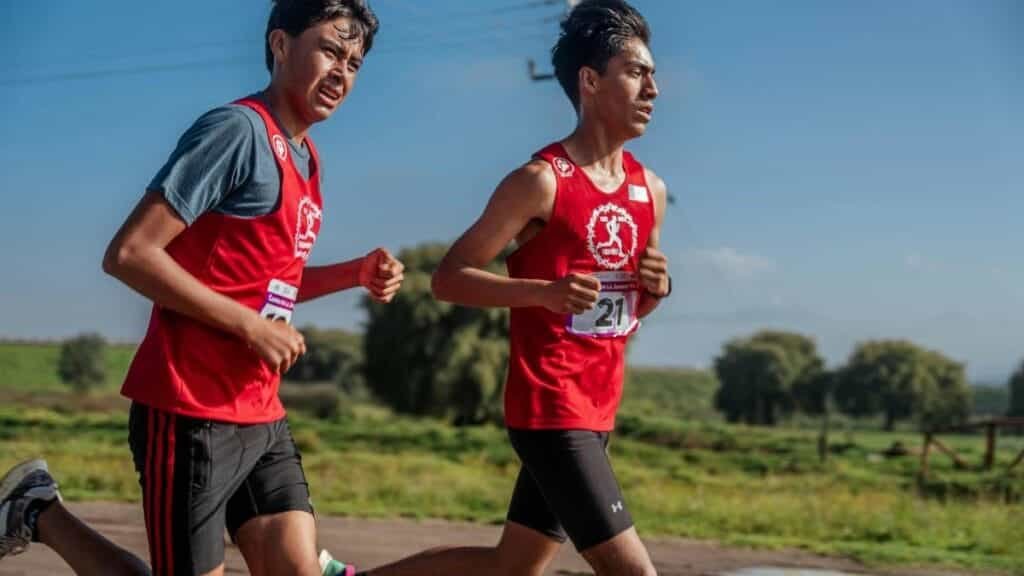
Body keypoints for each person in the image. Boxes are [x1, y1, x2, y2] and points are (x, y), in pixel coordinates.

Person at [0, 2, 400, 575]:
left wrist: (353, 273)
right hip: (190, 410)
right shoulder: (236, 132)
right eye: (330, 51)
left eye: (354, 63)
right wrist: (250, 327)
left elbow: (267, 284)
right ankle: (40, 512)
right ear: (281, 45)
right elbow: (130, 254)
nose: (341, 73)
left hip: (259, 411)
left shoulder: (308, 159)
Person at [351, 1, 671, 575]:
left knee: (511, 567)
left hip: (600, 408)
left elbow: (628, 309)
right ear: (590, 81)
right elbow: (449, 278)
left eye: (653, 74)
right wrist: (543, 293)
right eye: (636, 72)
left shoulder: (651, 190)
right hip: (551, 408)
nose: (654, 88)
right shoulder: (540, 182)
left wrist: (656, 289)